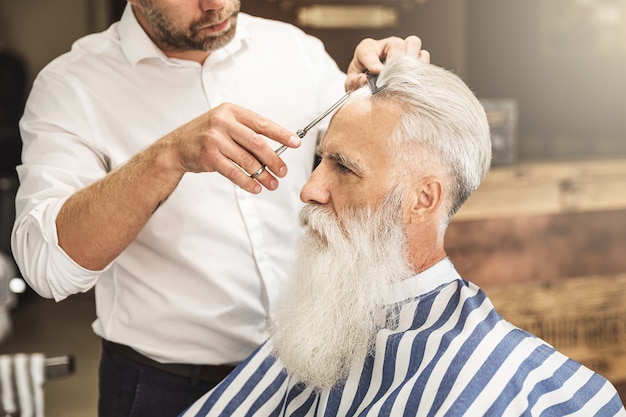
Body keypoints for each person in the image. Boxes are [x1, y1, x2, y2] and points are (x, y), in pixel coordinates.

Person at [11, 0, 429, 415]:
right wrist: (168, 156)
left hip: (305, 371)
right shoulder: (71, 86)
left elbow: (360, 144)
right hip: (165, 390)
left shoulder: (294, 49)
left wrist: (378, 86)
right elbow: (47, 267)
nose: (215, 4)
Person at [180, 55, 626, 416]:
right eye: (320, 161)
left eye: (344, 168)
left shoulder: (539, 395)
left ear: (423, 200)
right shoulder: (313, 327)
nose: (311, 189)